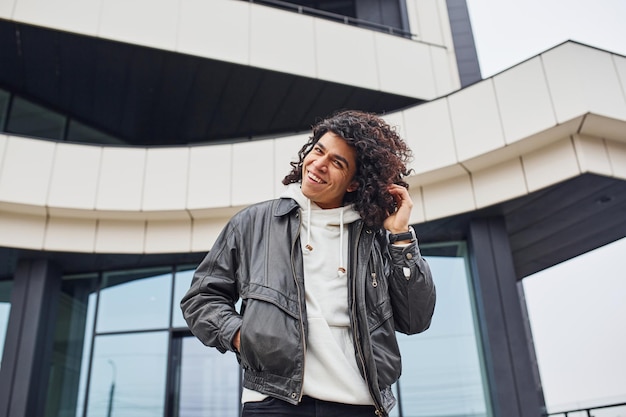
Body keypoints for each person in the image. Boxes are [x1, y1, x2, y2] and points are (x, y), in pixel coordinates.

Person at [181, 110, 436, 417]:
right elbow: (201, 297)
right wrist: (241, 336)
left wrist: (400, 237)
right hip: (274, 401)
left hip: (361, 405)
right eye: (318, 151)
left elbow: (416, 318)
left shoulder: (377, 237)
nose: (318, 165)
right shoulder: (254, 223)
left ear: (354, 183)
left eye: (337, 163)